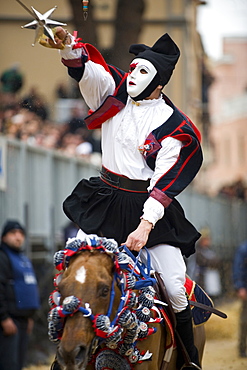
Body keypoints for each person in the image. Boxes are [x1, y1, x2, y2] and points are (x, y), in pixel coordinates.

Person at [45, 27, 203, 369]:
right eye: (132, 68)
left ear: (158, 83)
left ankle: (189, 361)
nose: (132, 75)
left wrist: (145, 226)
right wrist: (70, 48)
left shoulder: (174, 125)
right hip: (105, 201)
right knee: (75, 276)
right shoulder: (113, 92)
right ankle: (63, 359)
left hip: (149, 209)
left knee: (175, 287)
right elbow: (90, 74)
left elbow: (165, 181)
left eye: (143, 71)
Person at [0, 220, 40, 370]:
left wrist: (29, 317)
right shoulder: (3, 257)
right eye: (13, 233)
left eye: (21, 234)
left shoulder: (22, 259)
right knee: (8, 364)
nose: (18, 237)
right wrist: (3, 318)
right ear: (3, 237)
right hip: (9, 322)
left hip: (23, 321)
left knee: (19, 364)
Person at [187, 227, 222, 299]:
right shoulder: (197, 251)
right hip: (200, 281)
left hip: (209, 282)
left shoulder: (209, 251)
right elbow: (204, 261)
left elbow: (218, 262)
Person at [233, 240, 247, 358]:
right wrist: (240, 286)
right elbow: (238, 268)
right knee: (245, 320)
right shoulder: (243, 249)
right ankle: (242, 348)